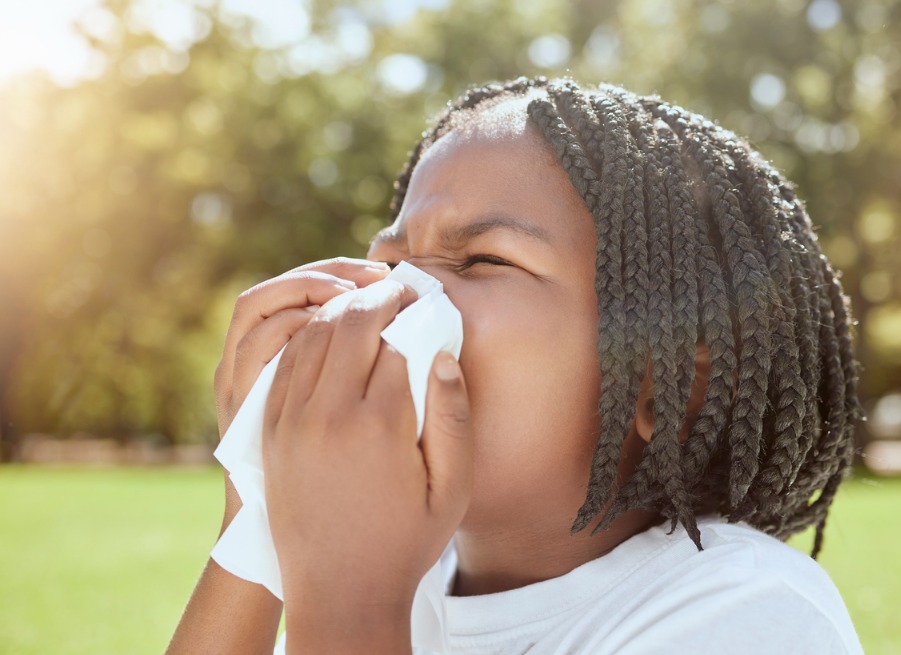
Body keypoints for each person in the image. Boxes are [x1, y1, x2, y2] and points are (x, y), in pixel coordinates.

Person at [167, 77, 863, 654]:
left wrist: (352, 598)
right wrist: (259, 514)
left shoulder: (750, 611)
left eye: (481, 260)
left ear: (668, 383)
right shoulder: (402, 572)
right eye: (386, 263)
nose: (394, 295)